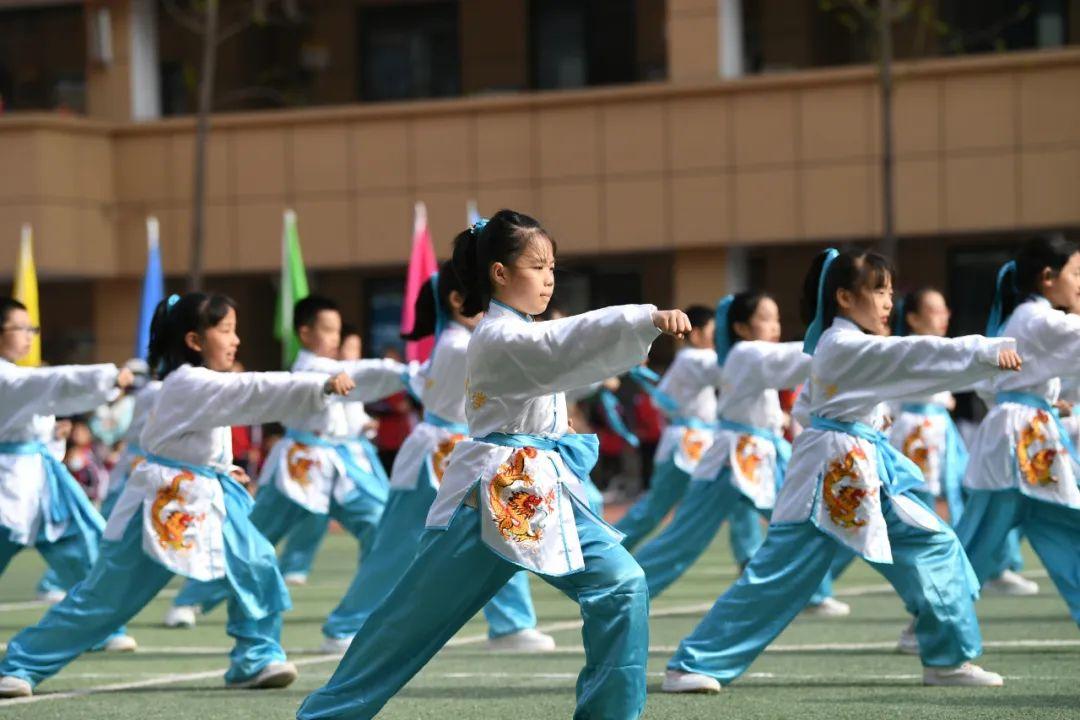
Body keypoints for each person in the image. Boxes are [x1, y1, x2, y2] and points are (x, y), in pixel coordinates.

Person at [296, 209, 690, 720]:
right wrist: (642, 319)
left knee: (622, 584)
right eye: (536, 266)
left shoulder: (518, 332)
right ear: (499, 274)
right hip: (487, 496)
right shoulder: (495, 335)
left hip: (537, 491)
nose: (549, 278)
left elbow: (558, 350)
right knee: (407, 626)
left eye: (553, 267)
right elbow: (557, 345)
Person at [661, 246, 1020, 694]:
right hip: (830, 472)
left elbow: (910, 361)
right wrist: (983, 350)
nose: (890, 302)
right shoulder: (841, 344)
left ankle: (947, 657)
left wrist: (983, 359)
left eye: (891, 291)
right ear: (845, 299)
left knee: (936, 544)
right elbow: (913, 356)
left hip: (862, 467)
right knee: (782, 574)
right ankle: (690, 663)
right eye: (879, 291)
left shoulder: (842, 344)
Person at [0, 292, 356, 698]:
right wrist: (319, 384)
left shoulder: (202, 382)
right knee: (107, 599)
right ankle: (21, 662)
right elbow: (254, 390)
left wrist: (222, 466)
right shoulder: (189, 381)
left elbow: (222, 417)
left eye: (235, 330)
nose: (236, 340)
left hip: (209, 495)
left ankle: (255, 656)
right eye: (225, 331)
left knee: (255, 563)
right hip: (162, 502)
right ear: (193, 340)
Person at [318, 260, 556, 654]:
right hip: (436, 457)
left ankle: (512, 623)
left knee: (501, 535)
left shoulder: (461, 342)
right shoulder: (461, 345)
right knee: (398, 546)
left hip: (464, 453)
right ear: (457, 299)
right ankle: (344, 626)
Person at [633, 291, 848, 616]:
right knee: (681, 533)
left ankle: (811, 592)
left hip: (755, 453)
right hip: (728, 455)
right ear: (741, 328)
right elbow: (796, 361)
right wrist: (844, 346)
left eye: (777, 318)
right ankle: (622, 589)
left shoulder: (743, 355)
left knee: (798, 520)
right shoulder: (739, 355)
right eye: (766, 318)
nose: (775, 326)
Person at [0, 297, 137, 653]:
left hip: (42, 486)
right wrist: (106, 376)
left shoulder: (18, 378)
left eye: (33, 329)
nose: (30, 336)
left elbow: (38, 401)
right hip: (8, 486)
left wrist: (51, 435)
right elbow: (49, 383)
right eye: (22, 328)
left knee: (85, 551)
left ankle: (102, 627)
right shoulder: (8, 376)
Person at [958, 233, 1080, 628]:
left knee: (1069, 529)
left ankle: (932, 622)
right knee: (977, 541)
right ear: (1048, 276)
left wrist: (1048, 401)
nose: (1079, 283)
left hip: (1029, 434)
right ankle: (932, 623)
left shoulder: (1030, 319)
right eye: (1076, 274)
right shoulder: (1039, 318)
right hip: (1017, 438)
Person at [615, 305, 719, 549]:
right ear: (696, 334)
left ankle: (610, 547)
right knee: (656, 509)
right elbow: (729, 369)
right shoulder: (696, 358)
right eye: (715, 332)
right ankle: (609, 548)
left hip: (689, 442)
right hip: (690, 443)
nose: (717, 338)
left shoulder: (688, 361)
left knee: (655, 508)